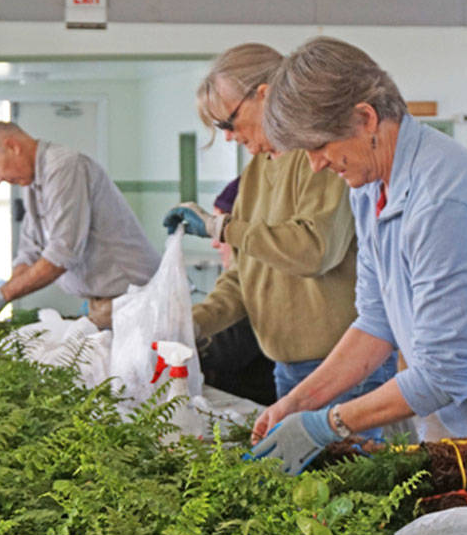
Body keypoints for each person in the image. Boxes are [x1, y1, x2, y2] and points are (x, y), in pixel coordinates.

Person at [251, 35, 467, 475]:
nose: (317, 164)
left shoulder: (443, 203)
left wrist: (327, 425)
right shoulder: (370, 186)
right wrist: (298, 402)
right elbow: (376, 322)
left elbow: (443, 374)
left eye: (320, 146)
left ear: (365, 118)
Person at [164, 43, 396, 428]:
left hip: (346, 370)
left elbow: (315, 249)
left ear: (265, 94)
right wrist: (190, 324)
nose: (228, 137)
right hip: (287, 369)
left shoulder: (319, 156)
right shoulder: (256, 173)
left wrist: (221, 227)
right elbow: (243, 277)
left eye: (230, 122)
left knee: (358, 481)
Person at [0, 121, 159, 328]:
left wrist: (4, 294)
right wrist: (1, 295)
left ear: (13, 146)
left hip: (134, 300)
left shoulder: (64, 167)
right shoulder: (32, 183)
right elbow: (29, 252)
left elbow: (62, 253)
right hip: (103, 302)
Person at [192, 176, 278, 406]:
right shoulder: (246, 274)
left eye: (220, 232)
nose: (214, 243)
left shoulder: (266, 281)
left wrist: (179, 335)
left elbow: (227, 345)